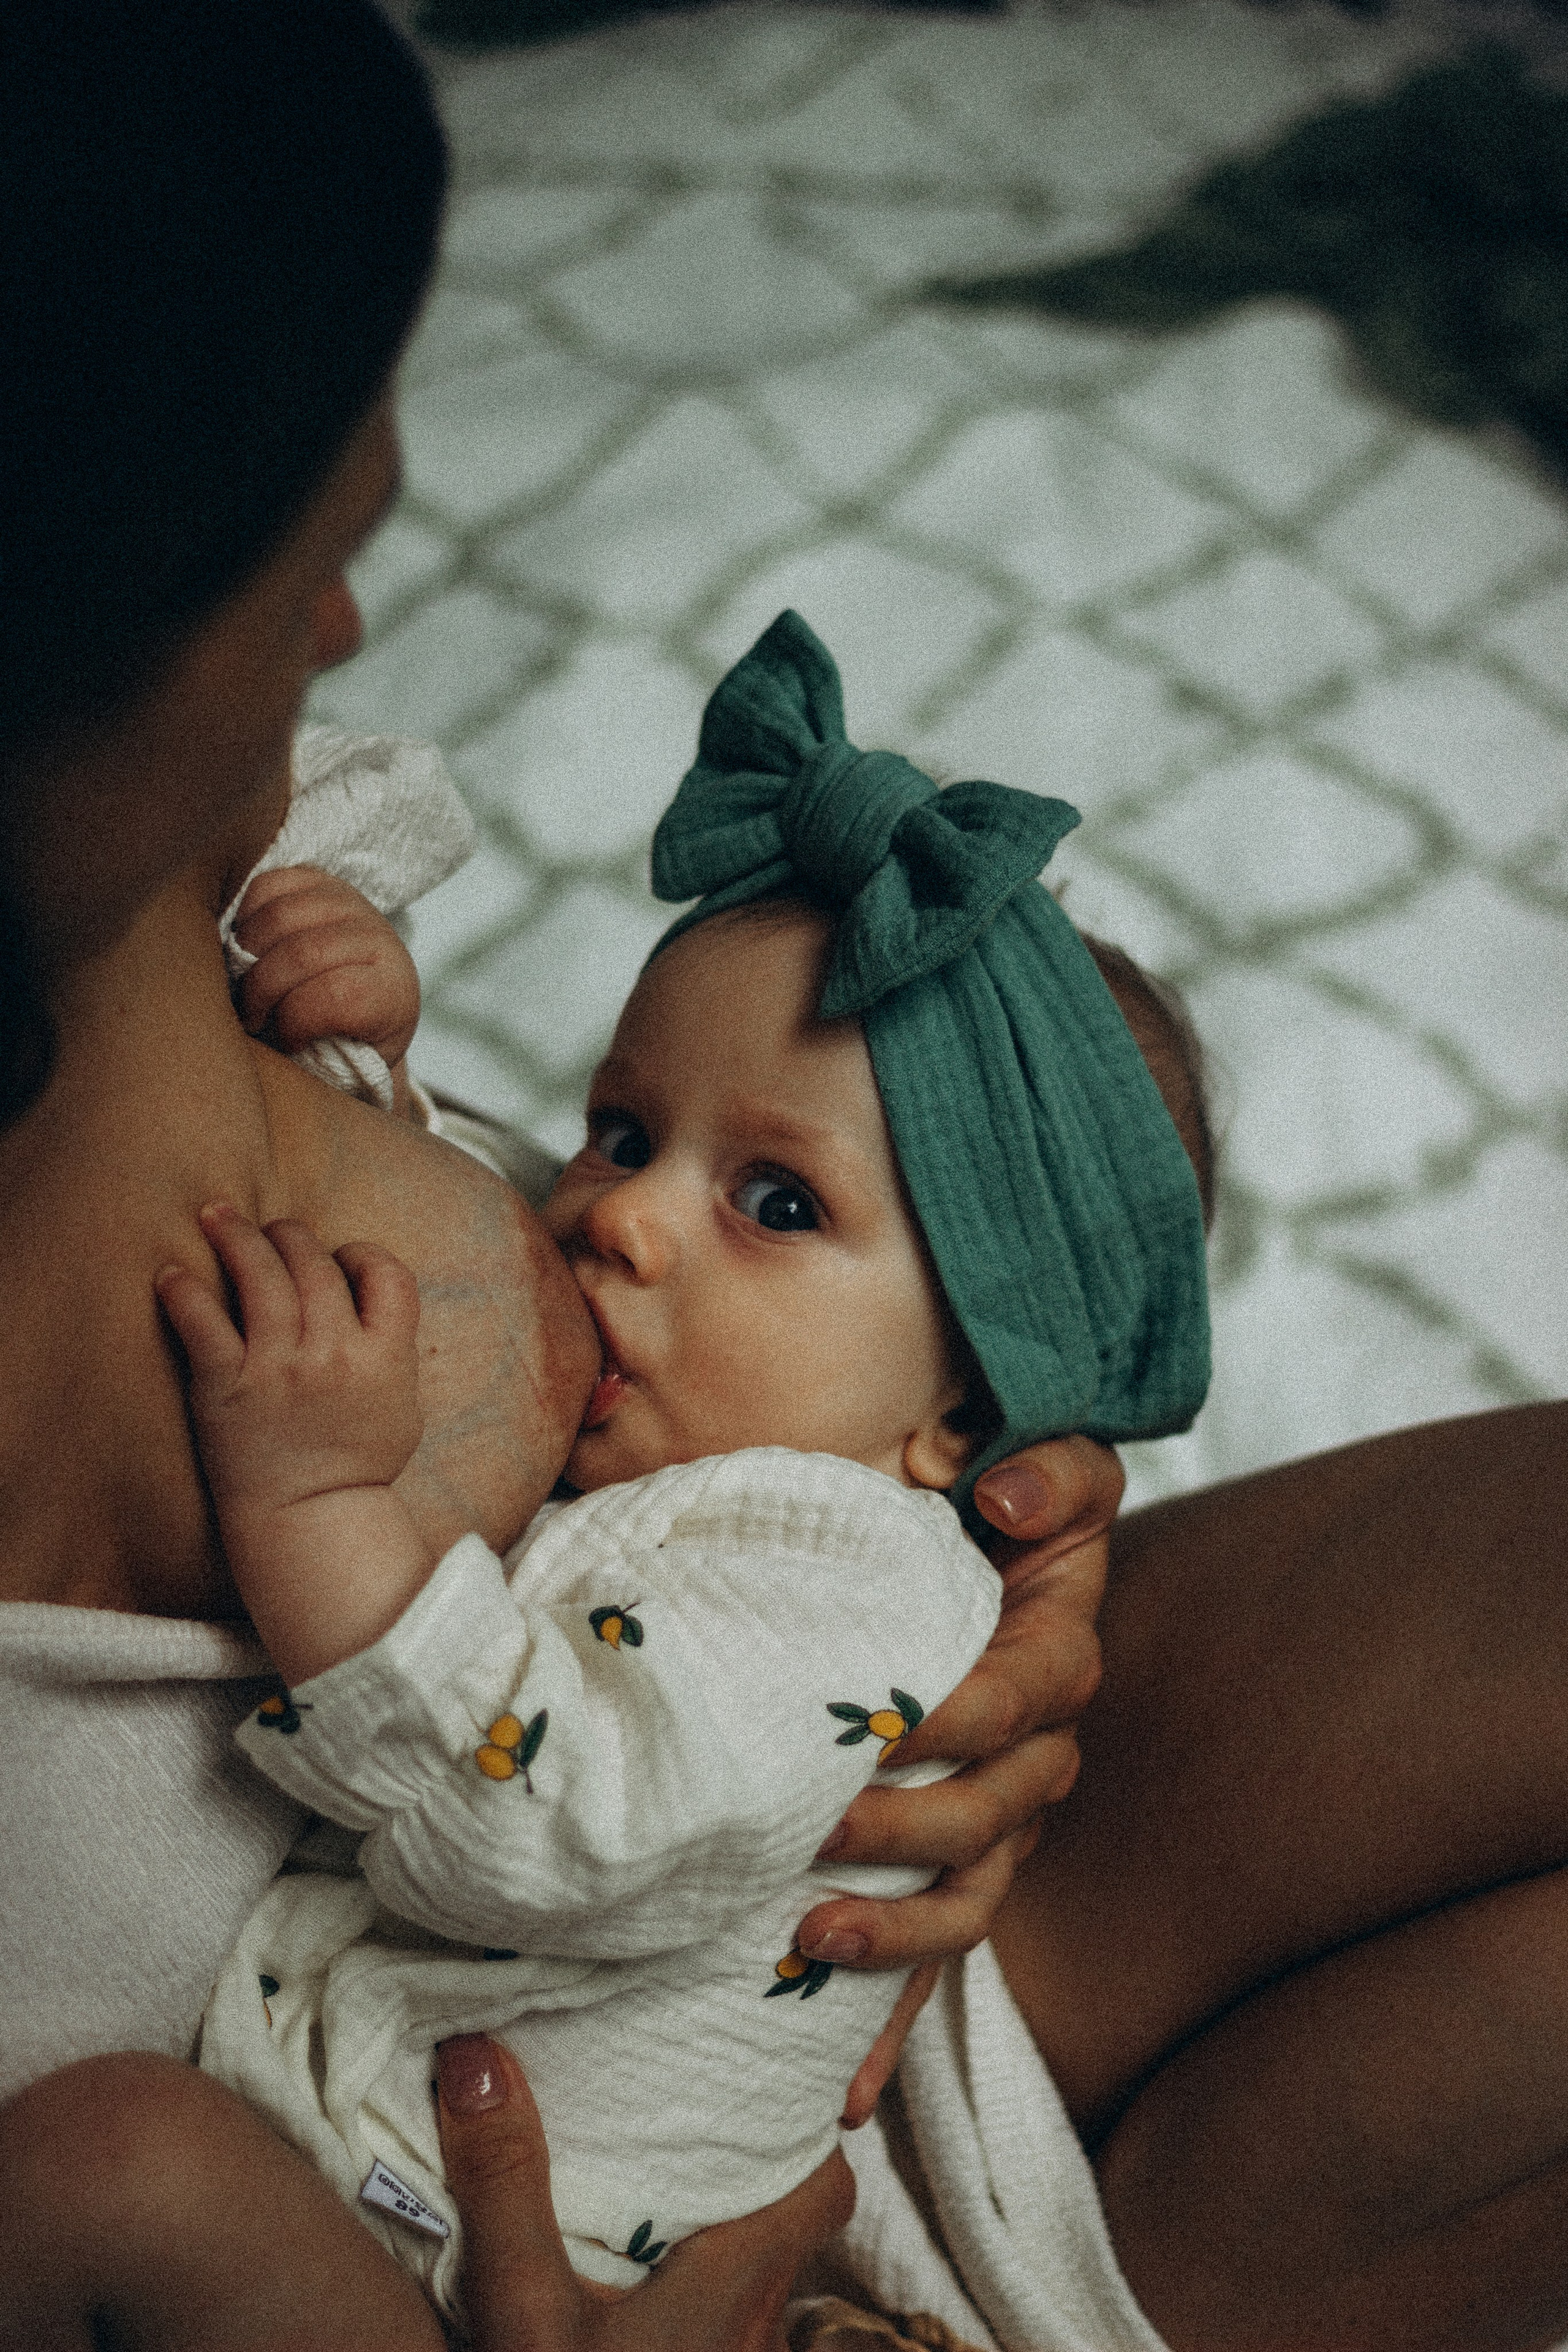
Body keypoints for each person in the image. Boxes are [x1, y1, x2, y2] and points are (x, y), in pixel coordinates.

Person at [3, 6, 1566, 2350]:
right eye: (297, 565)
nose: (339, 631)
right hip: (483, 2188)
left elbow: (332, 802)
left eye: (768, 1196)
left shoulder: (163, 807)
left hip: (847, 1970)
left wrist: (999, 1550)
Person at [156, 609, 1212, 2336]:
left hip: (466, 2248)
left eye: (779, 1204)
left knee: (103, 2173)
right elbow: (470, 1225)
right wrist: (354, 1068)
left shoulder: (844, 1588)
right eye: (626, 1128)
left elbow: (535, 1819)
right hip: (359, 2133)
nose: (617, 1215)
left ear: (966, 1418)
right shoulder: (694, 1406)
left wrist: (318, 1513)